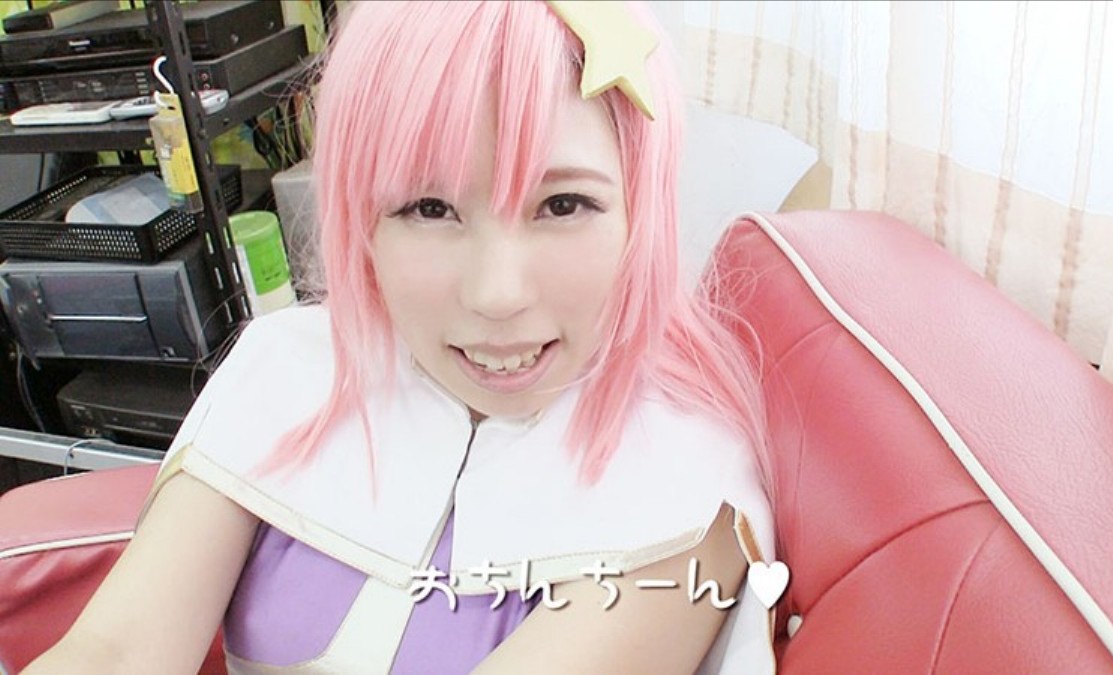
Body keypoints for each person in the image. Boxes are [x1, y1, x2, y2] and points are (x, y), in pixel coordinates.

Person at [25, 1, 777, 672]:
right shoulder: (287, 367)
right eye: (429, 208)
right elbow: (114, 649)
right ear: (361, 217)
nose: (497, 294)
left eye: (563, 204)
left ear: (642, 211)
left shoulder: (685, 486)